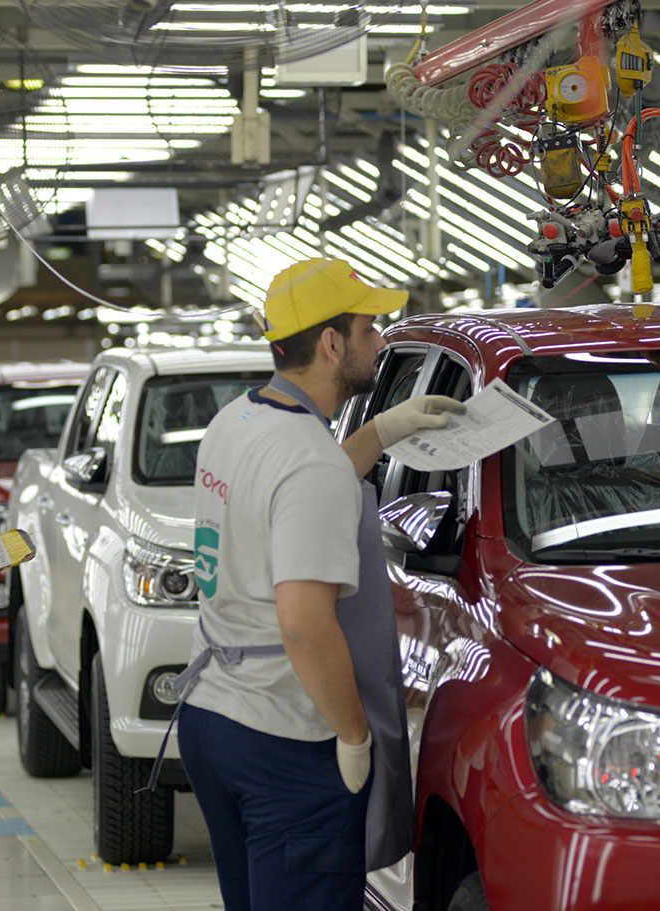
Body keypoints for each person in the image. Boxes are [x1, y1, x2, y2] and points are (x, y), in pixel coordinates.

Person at [175, 258, 466, 911]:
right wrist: (356, 734)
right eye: (369, 327)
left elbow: (296, 496)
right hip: (284, 738)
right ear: (332, 344)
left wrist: (383, 431)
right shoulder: (308, 458)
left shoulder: (238, 422)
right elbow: (306, 623)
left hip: (212, 714)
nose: (381, 340)